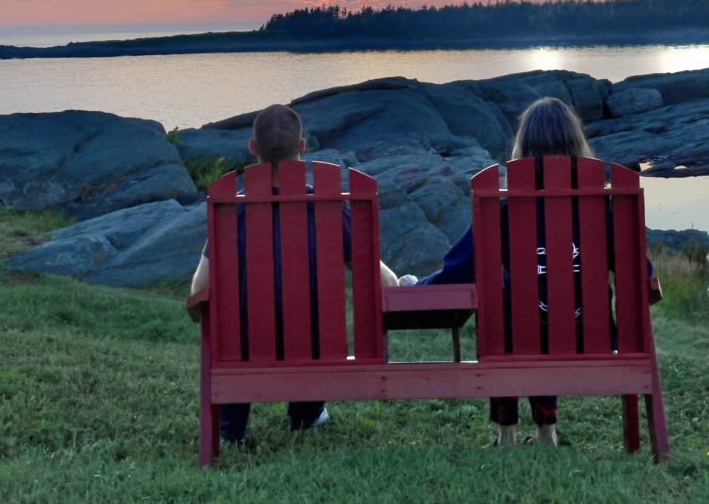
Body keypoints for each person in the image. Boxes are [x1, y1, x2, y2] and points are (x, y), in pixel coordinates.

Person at [400, 96, 653, 447]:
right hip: (589, 338)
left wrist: (415, 287)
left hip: (516, 336)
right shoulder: (605, 208)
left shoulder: (502, 210)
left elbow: (456, 274)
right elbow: (642, 278)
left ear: (523, 147)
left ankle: (506, 434)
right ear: (577, 145)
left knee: (511, 301)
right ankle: (546, 433)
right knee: (540, 301)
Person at [190, 103, 399, 445]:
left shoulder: (231, 212)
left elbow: (200, 289)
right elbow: (385, 283)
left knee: (242, 328)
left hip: (242, 352)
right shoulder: (331, 207)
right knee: (308, 324)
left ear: (252, 148)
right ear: (303, 146)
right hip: (316, 349)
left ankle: (230, 430)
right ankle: (307, 414)